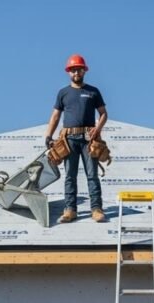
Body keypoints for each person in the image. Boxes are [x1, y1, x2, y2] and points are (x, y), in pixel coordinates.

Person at [44, 53, 108, 224]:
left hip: (89, 139)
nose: (76, 73)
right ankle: (70, 210)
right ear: (68, 73)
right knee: (70, 176)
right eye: (73, 70)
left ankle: (96, 209)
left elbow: (103, 114)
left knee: (92, 175)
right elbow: (56, 116)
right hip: (70, 139)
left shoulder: (93, 91)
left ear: (84, 71)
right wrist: (48, 136)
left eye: (79, 70)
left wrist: (98, 129)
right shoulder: (63, 93)